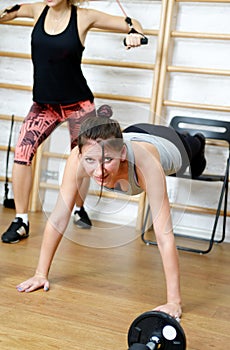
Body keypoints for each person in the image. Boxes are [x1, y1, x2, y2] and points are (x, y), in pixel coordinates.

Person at [16, 105, 207, 319]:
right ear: (81, 154)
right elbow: (59, 218)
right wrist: (40, 274)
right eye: (90, 161)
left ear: (122, 153)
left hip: (171, 143)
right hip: (133, 133)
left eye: (108, 161)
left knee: (192, 149)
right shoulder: (77, 158)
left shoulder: (147, 164)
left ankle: (198, 141)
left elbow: (164, 235)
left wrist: (174, 302)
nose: (99, 172)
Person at [0, 0, 146, 243]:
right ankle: (21, 220)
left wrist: (136, 34)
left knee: (82, 160)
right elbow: (6, 15)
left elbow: (132, 25)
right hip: (44, 105)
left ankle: (79, 208)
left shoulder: (84, 17)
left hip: (78, 104)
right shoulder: (36, 10)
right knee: (22, 154)